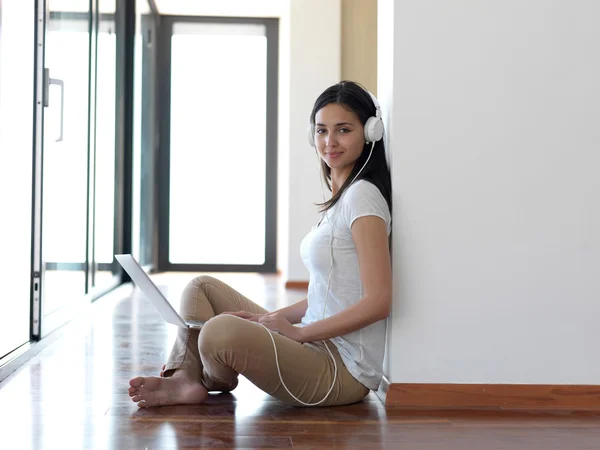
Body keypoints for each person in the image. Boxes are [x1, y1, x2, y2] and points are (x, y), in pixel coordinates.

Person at [128, 80, 392, 408]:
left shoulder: (363, 197)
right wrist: (268, 321)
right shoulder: (342, 200)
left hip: (340, 370)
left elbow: (379, 301)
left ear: (369, 133)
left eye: (343, 130)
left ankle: (202, 378)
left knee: (217, 332)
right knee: (201, 289)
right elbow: (323, 297)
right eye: (322, 131)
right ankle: (185, 378)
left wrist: (296, 333)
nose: (329, 142)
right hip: (313, 342)